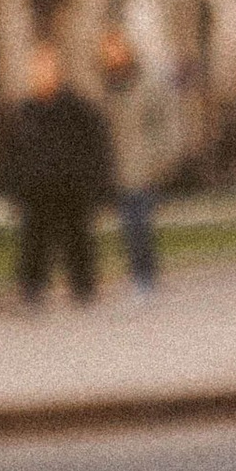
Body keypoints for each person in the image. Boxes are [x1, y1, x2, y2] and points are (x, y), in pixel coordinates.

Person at [0, 40, 110, 306]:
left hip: (71, 186)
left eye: (47, 68)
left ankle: (83, 287)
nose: (41, 75)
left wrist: (92, 181)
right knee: (35, 242)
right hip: (37, 188)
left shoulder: (77, 109)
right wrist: (15, 185)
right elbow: (12, 152)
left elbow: (95, 146)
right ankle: (33, 288)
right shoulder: (25, 111)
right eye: (37, 69)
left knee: (77, 239)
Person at [96, 28, 178, 300]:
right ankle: (139, 275)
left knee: (139, 224)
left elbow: (166, 125)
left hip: (144, 167)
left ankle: (145, 277)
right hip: (119, 169)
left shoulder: (148, 83)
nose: (113, 56)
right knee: (128, 227)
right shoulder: (107, 88)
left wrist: (161, 160)